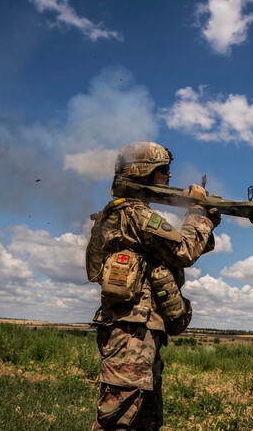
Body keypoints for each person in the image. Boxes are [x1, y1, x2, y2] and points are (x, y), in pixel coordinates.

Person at [86, 141, 220, 430]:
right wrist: (197, 212)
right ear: (145, 172)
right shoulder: (136, 212)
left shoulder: (123, 213)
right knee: (119, 419)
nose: (170, 177)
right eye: (164, 170)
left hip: (137, 328)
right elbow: (183, 251)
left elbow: (173, 253)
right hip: (131, 332)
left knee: (145, 419)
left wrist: (206, 222)